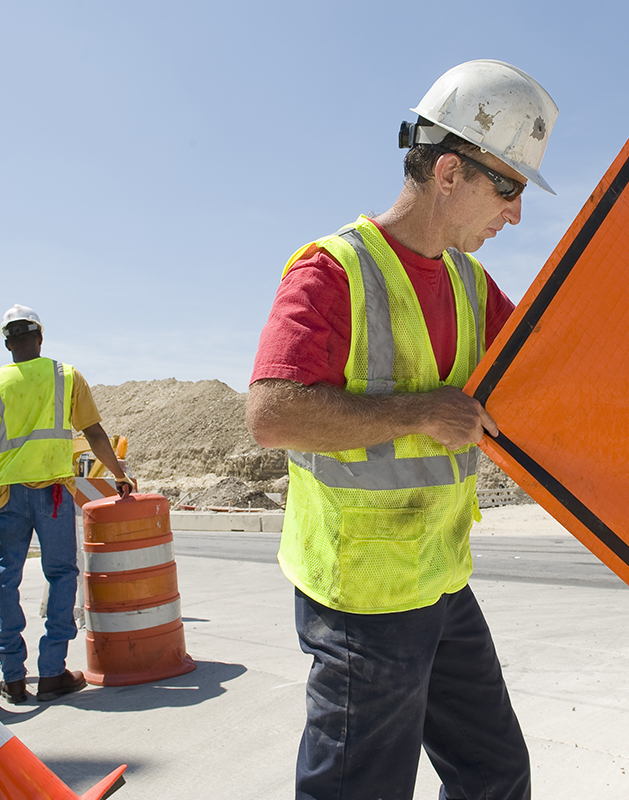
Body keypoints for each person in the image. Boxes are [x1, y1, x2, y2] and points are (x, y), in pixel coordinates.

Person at [246, 60, 559, 800]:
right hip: (360, 601)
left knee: (495, 774)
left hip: (441, 583)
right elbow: (271, 415)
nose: (515, 213)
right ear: (449, 171)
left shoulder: (470, 283)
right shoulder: (332, 272)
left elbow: (545, 378)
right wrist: (422, 411)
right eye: (508, 187)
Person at [0, 304, 132, 704]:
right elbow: (94, 432)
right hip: (54, 494)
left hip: (6, 495)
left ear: (7, 343)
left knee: (7, 579)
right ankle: (52, 672)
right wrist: (118, 474)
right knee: (61, 574)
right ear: (40, 337)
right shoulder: (66, 376)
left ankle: (11, 678)